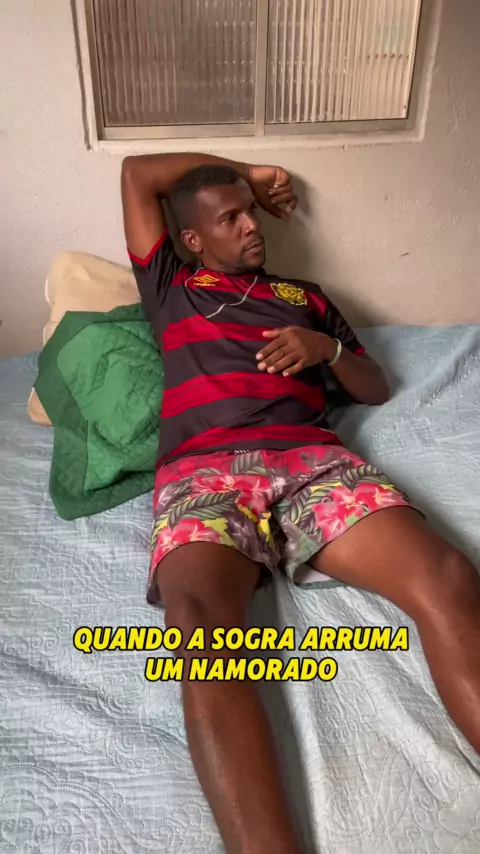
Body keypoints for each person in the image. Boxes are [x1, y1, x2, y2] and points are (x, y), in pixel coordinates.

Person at [121, 152, 480, 854]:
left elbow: (374, 387)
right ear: (192, 239)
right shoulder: (172, 285)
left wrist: (326, 350)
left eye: (252, 213)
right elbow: (138, 174)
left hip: (312, 463)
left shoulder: (304, 296)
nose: (252, 226)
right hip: (207, 471)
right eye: (231, 217)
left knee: (446, 574)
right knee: (200, 630)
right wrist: (253, 173)